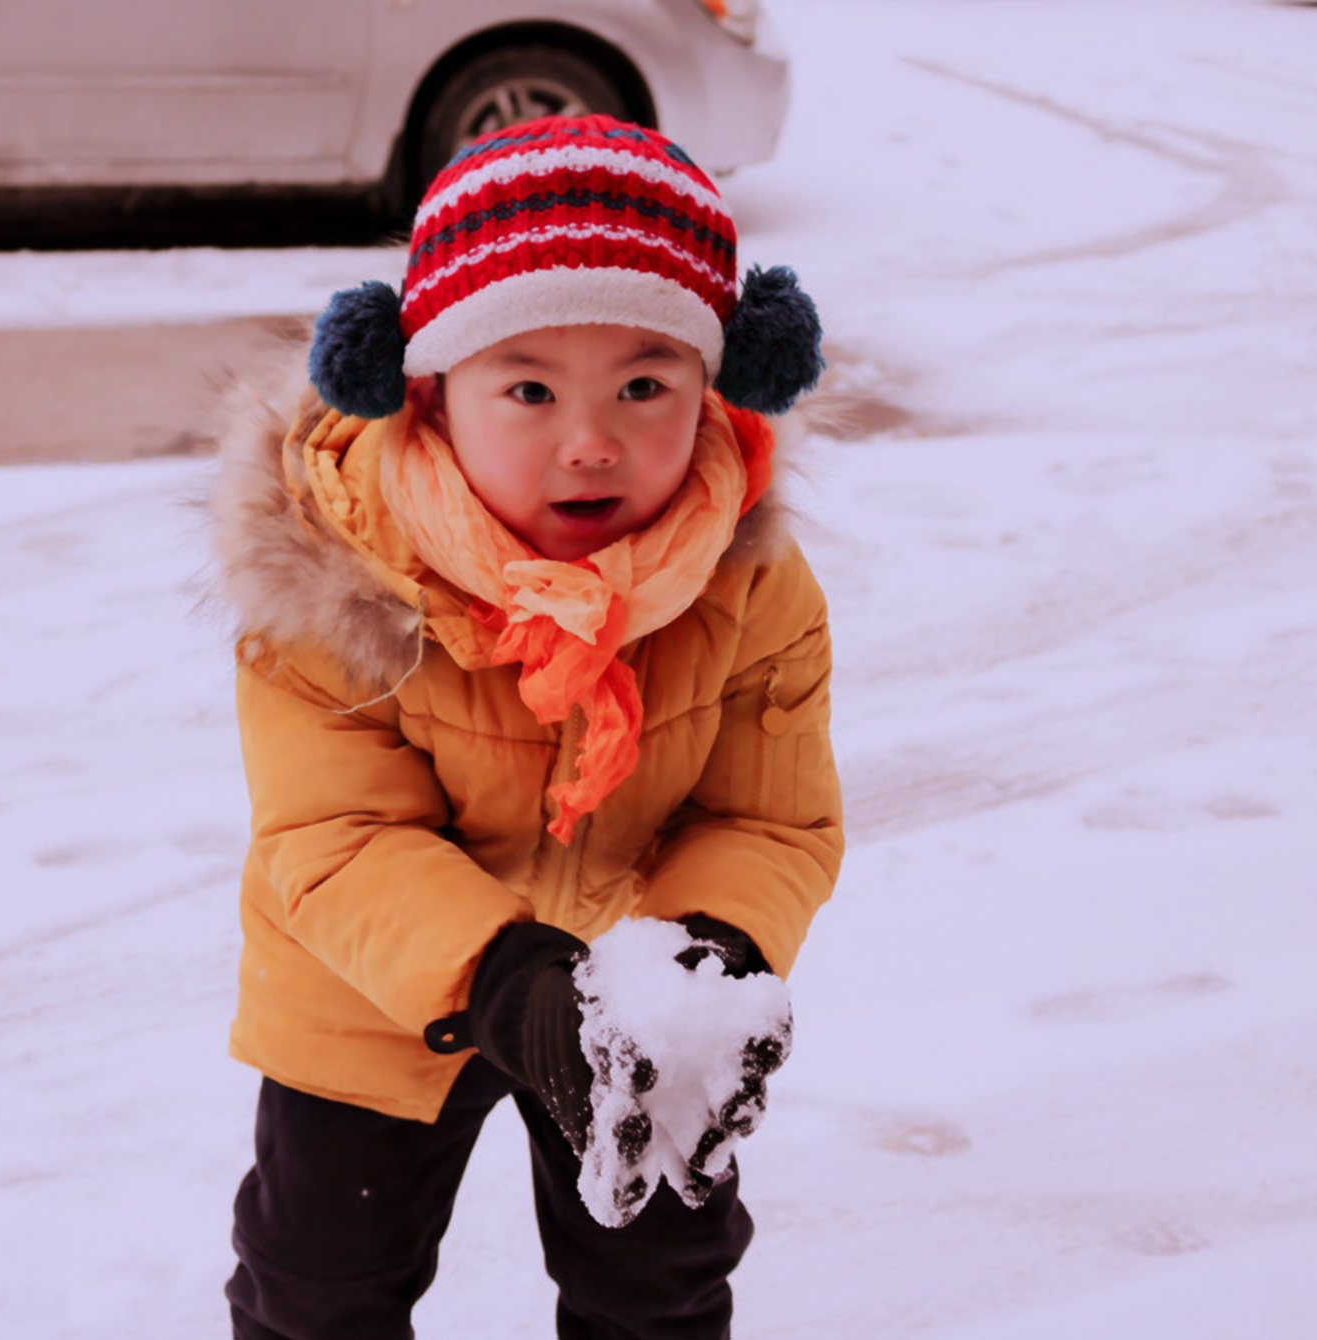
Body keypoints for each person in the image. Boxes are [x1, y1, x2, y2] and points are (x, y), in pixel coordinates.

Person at [210, 114, 844, 1340]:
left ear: (723, 379)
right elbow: (334, 835)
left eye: (644, 383)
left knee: (656, 1287)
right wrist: (509, 981)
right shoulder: (336, 572)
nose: (590, 439)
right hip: (366, 997)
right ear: (430, 394)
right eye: (530, 388)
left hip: (633, 1006)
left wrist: (701, 954)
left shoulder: (748, 580)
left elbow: (767, 816)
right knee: (319, 1285)